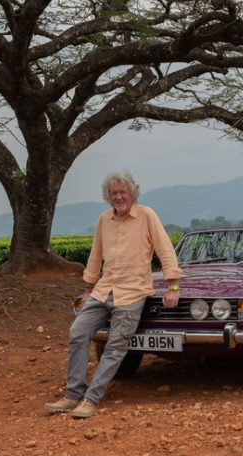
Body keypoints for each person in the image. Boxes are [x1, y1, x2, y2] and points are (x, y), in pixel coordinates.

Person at [45, 171, 182, 419]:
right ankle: (73, 394)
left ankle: (91, 398)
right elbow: (95, 255)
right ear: (109, 196)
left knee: (116, 346)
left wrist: (173, 286)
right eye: (114, 193)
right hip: (103, 289)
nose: (118, 197)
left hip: (133, 292)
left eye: (123, 192)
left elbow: (165, 249)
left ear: (132, 194)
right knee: (77, 332)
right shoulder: (103, 219)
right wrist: (88, 289)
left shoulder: (147, 215)